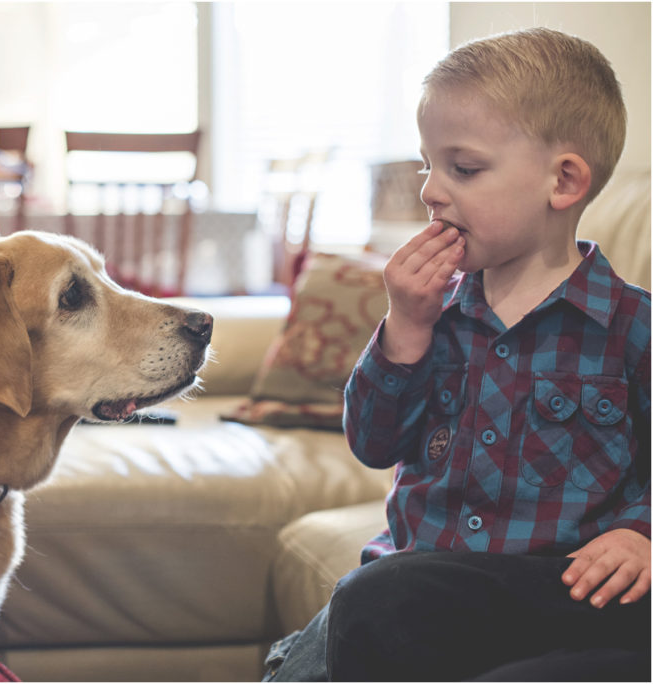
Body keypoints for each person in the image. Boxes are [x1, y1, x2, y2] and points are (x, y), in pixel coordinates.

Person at [264, 27, 650, 681]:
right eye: (428, 165)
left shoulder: (632, 324)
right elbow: (373, 442)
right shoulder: (432, 314)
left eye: (462, 168)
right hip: (422, 590)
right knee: (359, 613)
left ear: (563, 181)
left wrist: (643, 533)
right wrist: (403, 332)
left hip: (556, 593)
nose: (431, 192)